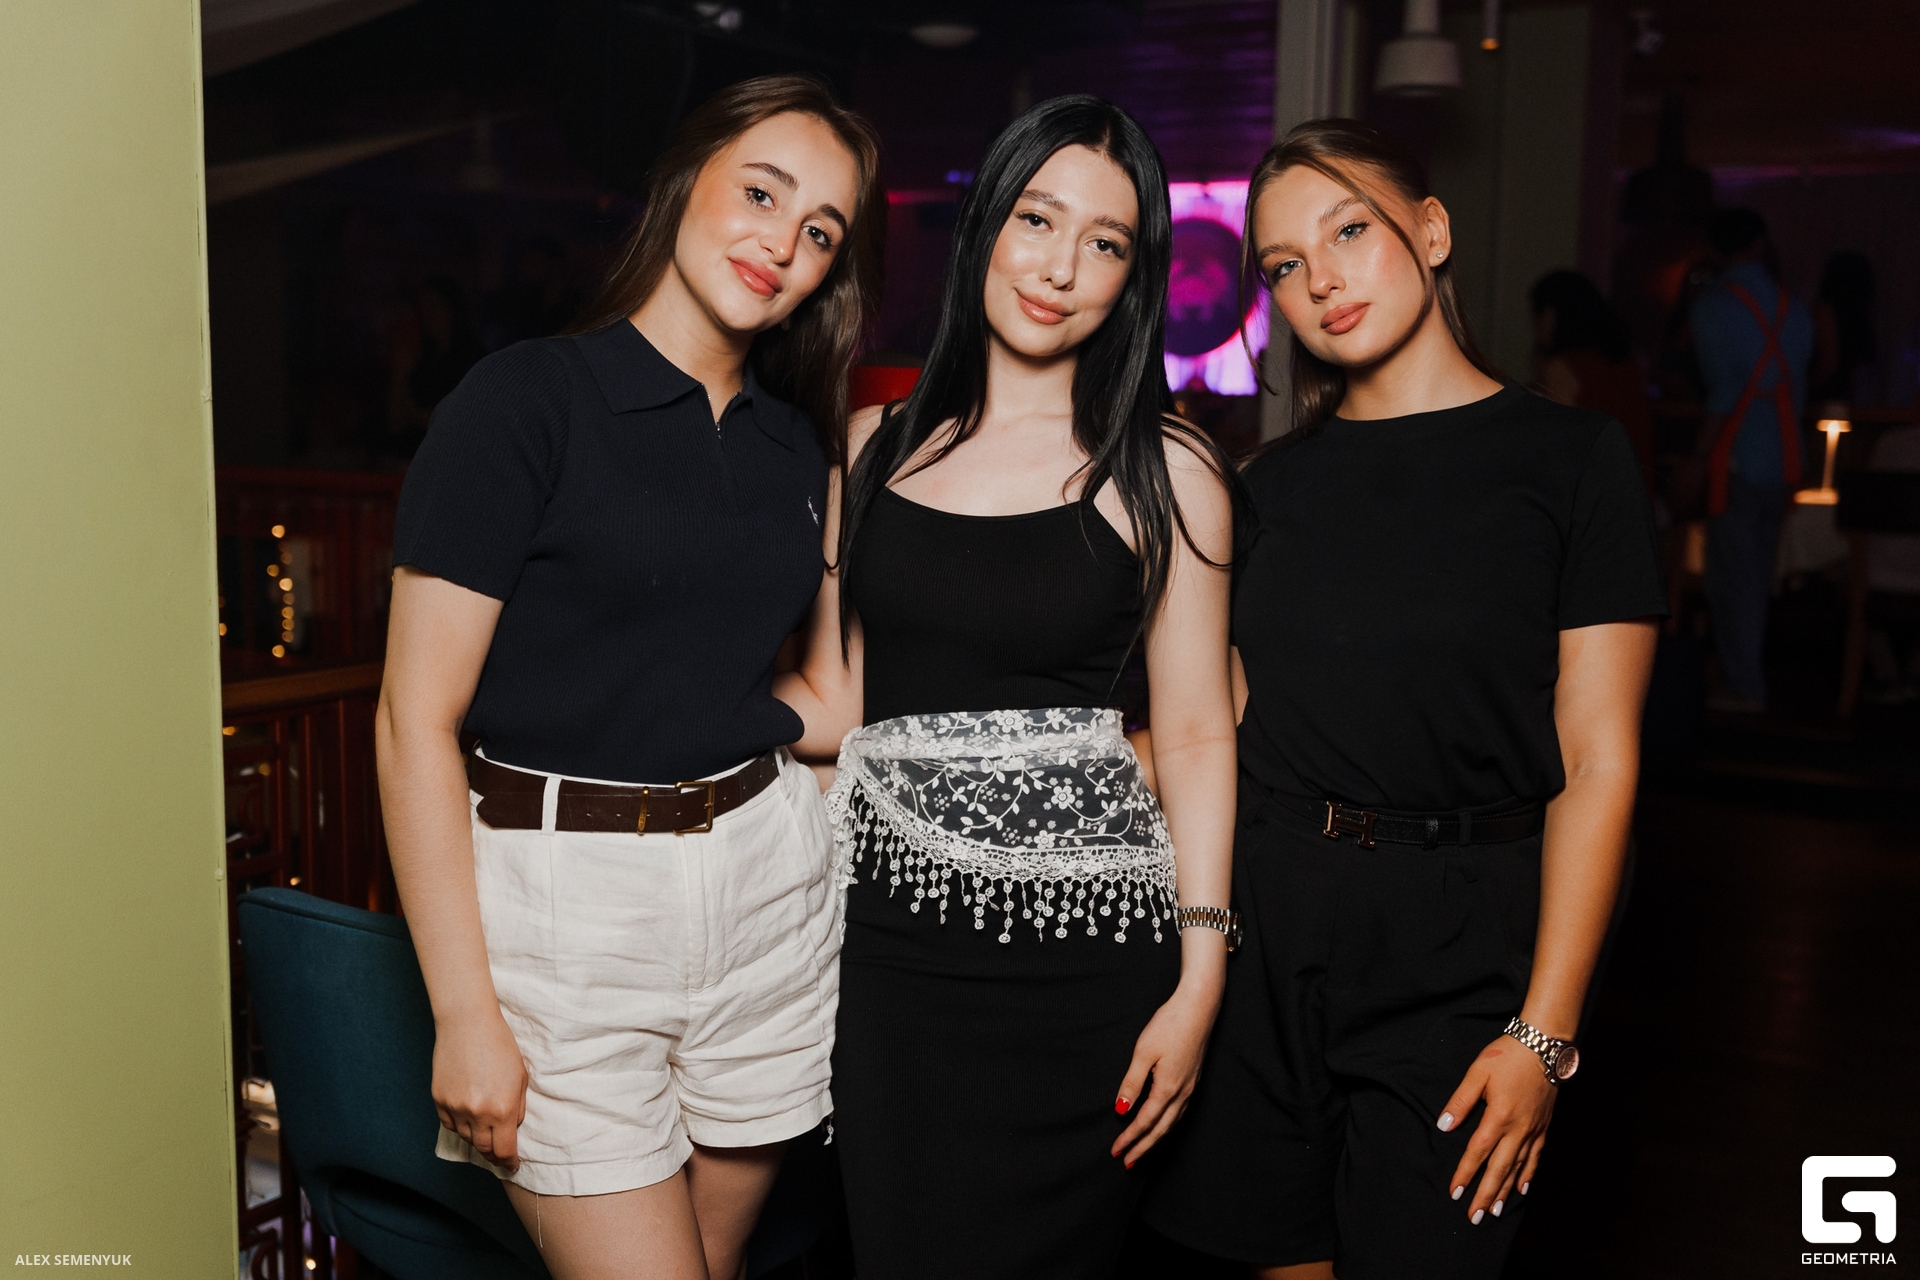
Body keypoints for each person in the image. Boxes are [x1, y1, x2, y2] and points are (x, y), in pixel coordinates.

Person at [373, 75, 883, 1280]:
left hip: (764, 893)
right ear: (685, 181)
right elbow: (412, 721)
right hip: (563, 911)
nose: (784, 243)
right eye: (762, 193)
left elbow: (832, 699)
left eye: (820, 230)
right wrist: (463, 1010)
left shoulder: (795, 446)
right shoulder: (524, 401)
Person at [1142, 118, 1665, 1280]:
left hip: (1464, 941)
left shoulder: (1572, 460)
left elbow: (1601, 762)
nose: (1320, 280)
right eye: (1284, 264)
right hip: (1271, 922)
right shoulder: (1264, 484)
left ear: (1429, 231)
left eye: (1349, 232)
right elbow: (1210, 722)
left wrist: (1545, 1030)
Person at [775, 96, 1240, 1279]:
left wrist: (1200, 980)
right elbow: (843, 702)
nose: (1060, 266)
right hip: (893, 959)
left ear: (1134, 277)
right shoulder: (869, 446)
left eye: (1105, 241)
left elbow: (1196, 734)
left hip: (1089, 969)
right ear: (986, 222)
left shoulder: (1170, 472)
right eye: (1037, 218)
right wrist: (649, 707)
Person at [1689, 207, 1812, 713]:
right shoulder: (1794, 307)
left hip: (1737, 456)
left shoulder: (1714, 306)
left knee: (1732, 577)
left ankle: (1744, 685)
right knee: (1756, 575)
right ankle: (1745, 677)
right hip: (1784, 456)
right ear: (1759, 244)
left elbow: (1723, 391)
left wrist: (1699, 457)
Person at [1530, 268, 1656, 496]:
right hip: (1633, 490)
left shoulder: (1563, 366)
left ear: (1550, 315)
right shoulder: (1624, 363)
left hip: (1594, 494)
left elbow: (1556, 446)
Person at [1811, 249, 1877, 406]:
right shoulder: (1861, 317)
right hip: (1848, 400)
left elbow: (1829, 363)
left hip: (1827, 398)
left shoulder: (1825, 312)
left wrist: (1806, 388)